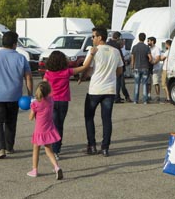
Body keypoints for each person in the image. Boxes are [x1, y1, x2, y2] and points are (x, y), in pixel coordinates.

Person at [0, 31, 33, 160]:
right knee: (11, 122)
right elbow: (28, 77)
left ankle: (0, 149)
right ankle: (9, 146)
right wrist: (29, 94)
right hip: (14, 97)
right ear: (15, 44)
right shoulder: (21, 58)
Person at [44, 48, 97, 161]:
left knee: (53, 125)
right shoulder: (67, 72)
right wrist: (91, 54)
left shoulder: (48, 73)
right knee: (60, 126)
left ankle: (52, 148)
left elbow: (43, 86)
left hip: (50, 102)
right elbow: (84, 67)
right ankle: (57, 150)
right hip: (63, 102)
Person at [84, 27, 123, 157]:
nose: (92, 39)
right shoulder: (116, 51)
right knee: (106, 119)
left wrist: (83, 77)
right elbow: (119, 71)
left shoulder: (93, 51)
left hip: (95, 89)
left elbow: (87, 69)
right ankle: (105, 147)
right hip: (110, 90)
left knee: (89, 117)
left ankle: (92, 145)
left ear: (100, 37)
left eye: (93, 36)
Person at [27, 81, 63, 180]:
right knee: (49, 150)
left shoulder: (35, 104)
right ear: (48, 91)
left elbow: (30, 118)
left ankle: (34, 170)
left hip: (39, 131)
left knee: (36, 150)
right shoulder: (51, 100)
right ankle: (56, 167)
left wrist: (31, 106)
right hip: (49, 129)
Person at [107, 31, 131, 103]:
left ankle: (116, 97)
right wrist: (124, 64)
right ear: (118, 38)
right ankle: (117, 97)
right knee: (120, 83)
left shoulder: (107, 44)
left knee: (112, 83)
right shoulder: (116, 45)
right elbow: (120, 57)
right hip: (118, 66)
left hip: (109, 66)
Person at [130, 33, 152, 104]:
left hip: (136, 67)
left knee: (136, 84)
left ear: (139, 38)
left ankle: (135, 100)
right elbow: (150, 58)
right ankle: (145, 100)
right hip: (145, 67)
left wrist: (132, 66)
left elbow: (132, 58)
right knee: (145, 84)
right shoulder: (146, 47)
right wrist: (149, 62)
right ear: (144, 38)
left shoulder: (134, 47)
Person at [147, 37, 161, 102]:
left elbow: (158, 58)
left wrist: (153, 63)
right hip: (149, 68)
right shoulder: (149, 48)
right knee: (149, 82)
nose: (148, 42)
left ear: (152, 41)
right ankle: (149, 95)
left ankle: (158, 96)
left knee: (156, 83)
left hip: (156, 68)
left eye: (149, 41)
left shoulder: (157, 49)